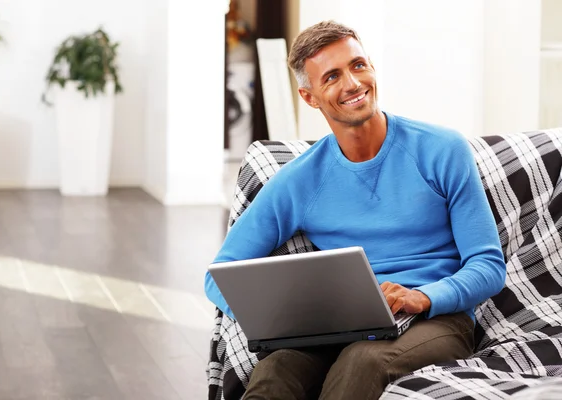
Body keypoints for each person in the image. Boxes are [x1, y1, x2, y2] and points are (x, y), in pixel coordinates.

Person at [205, 20, 506, 400]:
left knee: (363, 362)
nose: (352, 83)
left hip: (435, 319)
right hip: (334, 324)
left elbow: (488, 266)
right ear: (310, 96)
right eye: (332, 76)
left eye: (358, 65)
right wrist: (283, 320)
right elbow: (219, 276)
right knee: (274, 372)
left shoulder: (442, 149)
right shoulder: (298, 181)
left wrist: (424, 297)